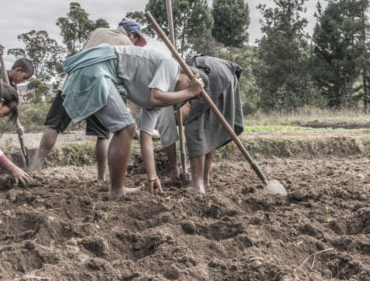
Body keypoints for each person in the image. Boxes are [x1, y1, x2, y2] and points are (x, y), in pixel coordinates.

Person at [60, 43, 203, 199]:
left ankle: (117, 189)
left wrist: (152, 176)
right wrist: (190, 92)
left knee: (125, 128)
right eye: (186, 89)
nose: (181, 97)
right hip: (96, 67)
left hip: (99, 73)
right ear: (188, 79)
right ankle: (117, 190)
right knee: (126, 128)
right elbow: (156, 97)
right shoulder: (171, 66)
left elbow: (145, 137)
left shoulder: (158, 99)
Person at [33, 20, 146, 178]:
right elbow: (123, 77)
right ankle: (101, 177)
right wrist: (124, 104)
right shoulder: (127, 44)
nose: (135, 42)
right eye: (136, 39)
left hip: (70, 82)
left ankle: (35, 166)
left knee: (54, 126)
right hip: (99, 87)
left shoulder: (98, 31)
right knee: (102, 135)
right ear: (131, 33)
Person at [160, 55, 244, 194]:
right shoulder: (167, 98)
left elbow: (168, 130)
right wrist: (174, 167)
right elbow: (167, 131)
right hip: (224, 73)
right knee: (206, 128)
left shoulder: (169, 87)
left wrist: (173, 167)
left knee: (195, 127)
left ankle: (197, 185)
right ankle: (204, 180)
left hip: (215, 77)